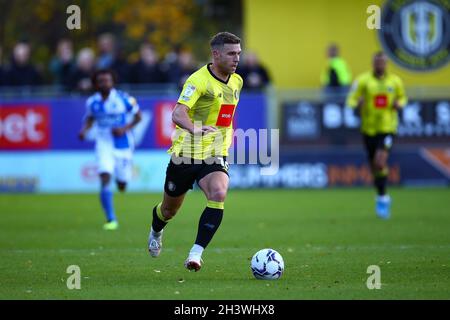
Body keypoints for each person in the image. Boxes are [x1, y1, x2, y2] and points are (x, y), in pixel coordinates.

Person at [147, 32, 243, 271]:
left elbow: (225, 116)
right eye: (231, 53)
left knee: (219, 192)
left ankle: (196, 254)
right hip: (186, 153)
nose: (236, 59)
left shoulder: (237, 81)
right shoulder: (197, 81)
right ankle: (156, 230)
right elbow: (178, 113)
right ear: (216, 54)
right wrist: (195, 128)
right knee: (168, 210)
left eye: (239, 53)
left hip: (215, 152)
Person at [78, 69, 142, 230]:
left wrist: (124, 128)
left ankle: (121, 181)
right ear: (96, 83)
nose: (104, 83)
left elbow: (138, 116)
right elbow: (90, 118)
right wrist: (84, 130)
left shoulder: (124, 99)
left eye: (107, 80)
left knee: (122, 184)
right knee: (105, 175)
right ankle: (111, 219)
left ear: (112, 82)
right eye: (101, 81)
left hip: (123, 144)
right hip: (103, 143)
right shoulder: (92, 102)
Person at [346, 52, 407, 219]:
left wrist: (398, 104)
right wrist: (356, 103)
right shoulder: (363, 81)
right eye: (377, 62)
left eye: (382, 62)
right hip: (369, 129)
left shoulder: (395, 81)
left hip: (388, 128)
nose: (380, 65)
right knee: (375, 166)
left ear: (386, 64)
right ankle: (382, 195)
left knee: (380, 161)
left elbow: (403, 98)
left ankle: (382, 199)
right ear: (373, 63)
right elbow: (350, 99)